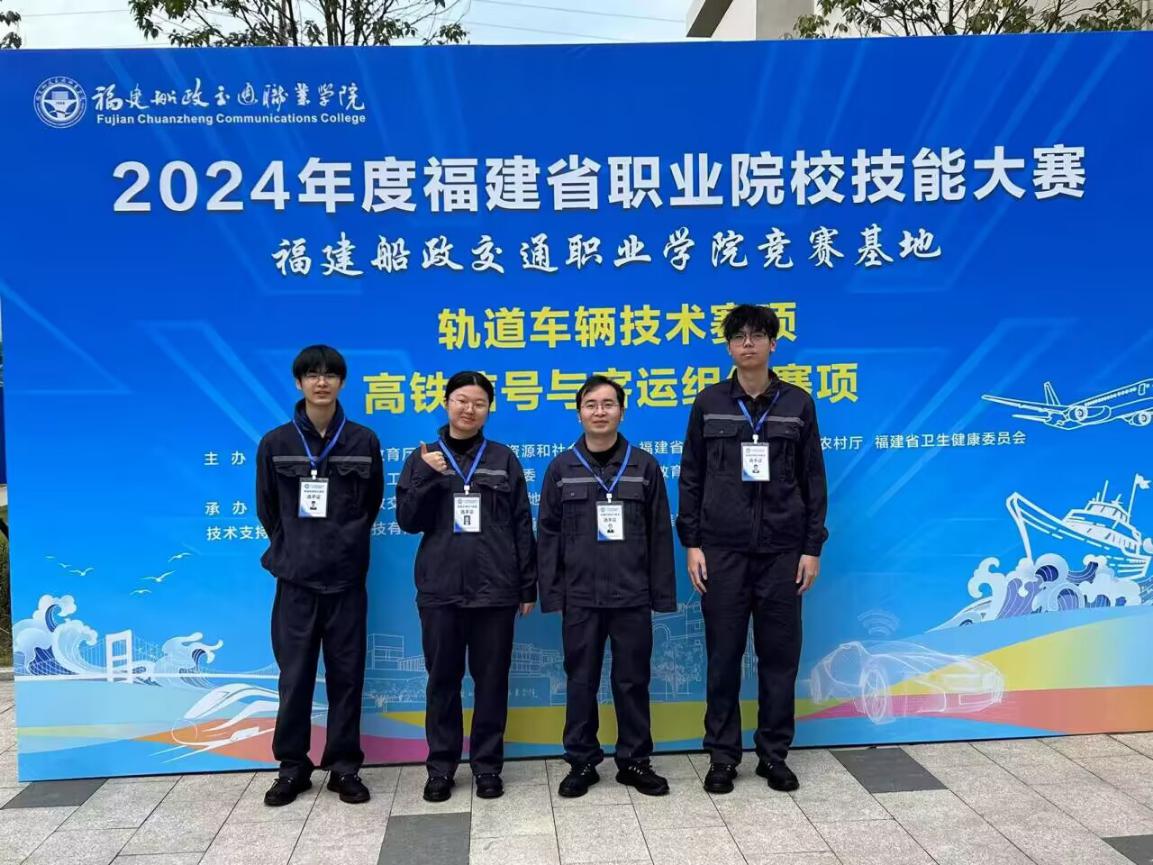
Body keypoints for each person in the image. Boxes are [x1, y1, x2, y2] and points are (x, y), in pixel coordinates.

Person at [677, 304, 828, 794]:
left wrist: (811, 548)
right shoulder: (709, 402)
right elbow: (692, 476)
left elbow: (813, 479)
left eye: (758, 335)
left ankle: (773, 754)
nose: (748, 343)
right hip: (722, 552)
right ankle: (722, 757)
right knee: (723, 657)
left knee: (779, 658)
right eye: (739, 336)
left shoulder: (798, 404)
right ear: (728, 347)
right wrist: (692, 543)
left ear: (772, 344)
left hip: (783, 552)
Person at [396, 371, 536, 802]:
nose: (468, 409)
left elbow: (521, 524)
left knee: (492, 681)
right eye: (461, 400)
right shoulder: (424, 457)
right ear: (446, 403)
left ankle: (487, 766)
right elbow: (407, 521)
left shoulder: (503, 458)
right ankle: (441, 768)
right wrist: (427, 476)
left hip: (495, 590)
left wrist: (527, 586)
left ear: (488, 409)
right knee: (442, 681)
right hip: (440, 590)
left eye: (478, 403)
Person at [537, 375, 677, 799]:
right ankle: (581, 761)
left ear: (622, 411)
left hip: (632, 595)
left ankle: (634, 760)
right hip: (580, 596)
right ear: (579, 413)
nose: (600, 411)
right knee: (580, 680)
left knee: (632, 681)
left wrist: (660, 595)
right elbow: (548, 534)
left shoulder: (644, 466)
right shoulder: (561, 468)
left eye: (608, 404)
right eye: (591, 404)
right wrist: (554, 593)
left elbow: (659, 533)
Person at [256, 345, 384, 806]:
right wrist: (297, 547)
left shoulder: (363, 441)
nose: (321, 382)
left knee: (348, 677)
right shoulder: (276, 443)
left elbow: (369, 505)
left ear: (342, 382)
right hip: (295, 582)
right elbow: (268, 509)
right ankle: (292, 767)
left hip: (346, 581)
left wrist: (342, 544)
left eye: (330, 375)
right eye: (312, 374)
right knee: (295, 678)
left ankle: (344, 767)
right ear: (299, 382)